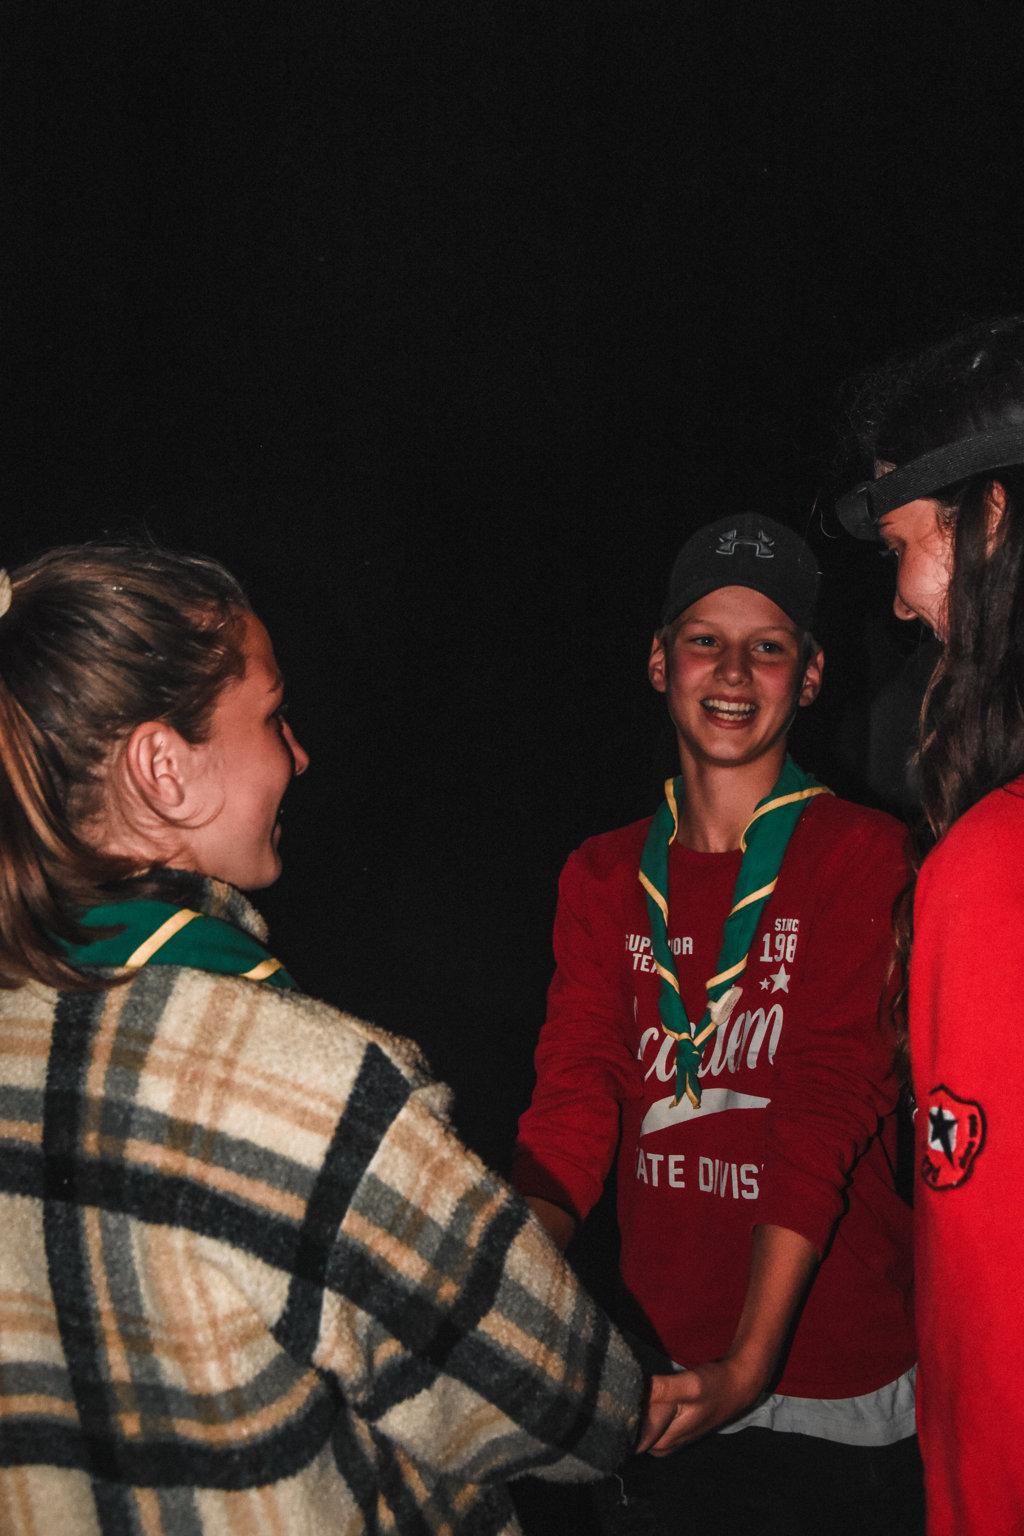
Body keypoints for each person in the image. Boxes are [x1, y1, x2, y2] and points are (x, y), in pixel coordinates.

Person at [0, 541, 654, 1535]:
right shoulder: (302, 1083)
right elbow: (573, 1404)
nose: (298, 756)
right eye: (271, 717)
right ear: (163, 769)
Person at [512, 513, 921, 1534]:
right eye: (704, 639)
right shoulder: (602, 875)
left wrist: (748, 1364)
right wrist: (497, 1287)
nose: (732, 671)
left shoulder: (860, 854)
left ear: (810, 677)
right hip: (660, 1375)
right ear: (660, 662)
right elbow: (573, 1106)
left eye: (767, 647)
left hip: (830, 1384)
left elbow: (827, 1106)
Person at [837, 315, 1024, 1536]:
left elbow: (995, 1305)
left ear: (990, 521)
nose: (903, 599)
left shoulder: (994, 863)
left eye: (907, 544)